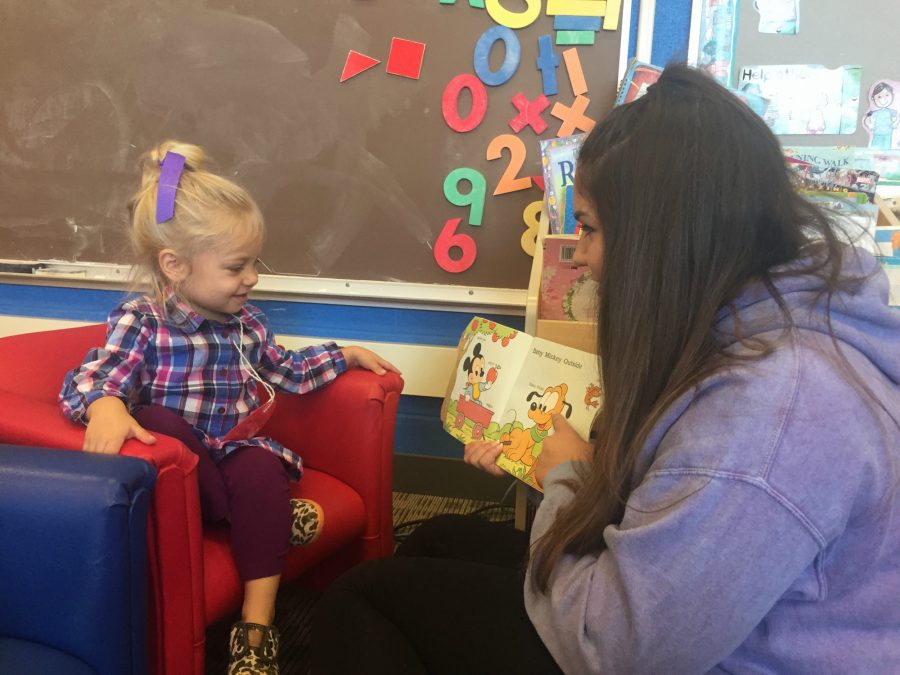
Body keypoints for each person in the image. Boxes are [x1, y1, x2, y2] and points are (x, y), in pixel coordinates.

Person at [310, 64, 900, 674]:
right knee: (436, 540)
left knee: (363, 601)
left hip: (665, 654)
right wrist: (583, 476)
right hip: (693, 627)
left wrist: (567, 477)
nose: (584, 256)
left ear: (659, 238)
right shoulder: (768, 332)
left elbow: (613, 649)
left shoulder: (777, 413)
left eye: (589, 229)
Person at [58, 140, 399, 675]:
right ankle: (270, 519)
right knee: (156, 419)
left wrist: (344, 354)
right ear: (175, 265)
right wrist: (103, 404)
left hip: (233, 453)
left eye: (254, 264)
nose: (253, 278)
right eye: (237, 266)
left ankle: (256, 627)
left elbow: (287, 370)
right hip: (181, 466)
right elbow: (95, 377)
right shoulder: (142, 320)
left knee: (260, 465)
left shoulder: (249, 324)